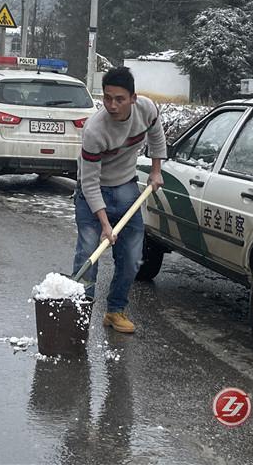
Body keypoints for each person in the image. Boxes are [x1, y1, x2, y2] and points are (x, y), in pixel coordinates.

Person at [73, 67, 166, 333]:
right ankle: (79, 317)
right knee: (88, 255)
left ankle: (114, 311)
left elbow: (156, 135)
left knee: (132, 256)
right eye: (107, 98)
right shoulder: (95, 130)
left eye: (119, 99)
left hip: (126, 187)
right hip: (93, 191)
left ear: (133, 98)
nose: (112, 105)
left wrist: (156, 171)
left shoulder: (146, 109)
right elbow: (89, 182)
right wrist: (104, 224)